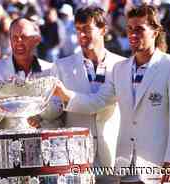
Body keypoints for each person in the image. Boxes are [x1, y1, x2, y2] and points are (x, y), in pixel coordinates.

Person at [54, 4, 170, 184]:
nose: (133, 34)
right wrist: (64, 95)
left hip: (159, 167)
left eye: (140, 29)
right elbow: (97, 101)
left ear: (155, 32)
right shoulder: (120, 68)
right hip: (125, 167)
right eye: (130, 29)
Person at [52, 6, 125, 184]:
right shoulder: (61, 66)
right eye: (78, 30)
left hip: (115, 158)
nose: (82, 35)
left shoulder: (122, 65)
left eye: (87, 29)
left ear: (103, 30)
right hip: (75, 159)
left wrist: (65, 95)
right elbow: (53, 111)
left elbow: (100, 103)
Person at [0, 17, 62, 130]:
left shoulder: (51, 69)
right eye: (14, 38)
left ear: (36, 40)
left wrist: (39, 118)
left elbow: (58, 110)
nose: (18, 42)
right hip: (6, 141)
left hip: (41, 140)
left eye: (24, 37)